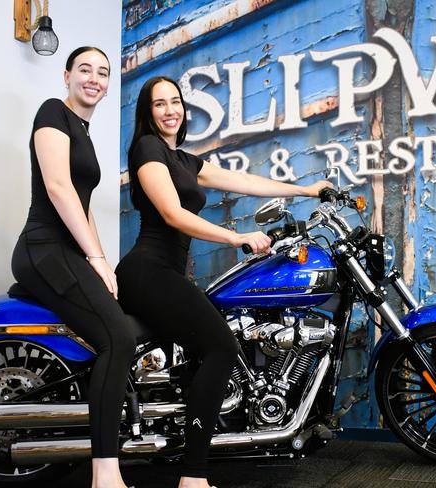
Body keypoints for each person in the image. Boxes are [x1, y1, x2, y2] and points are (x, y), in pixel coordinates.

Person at [115, 76, 331, 488]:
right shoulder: (148, 151)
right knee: (220, 347)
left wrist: (304, 190)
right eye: (159, 104)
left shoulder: (183, 159)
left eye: (175, 101)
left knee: (210, 345)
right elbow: (173, 215)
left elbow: (243, 181)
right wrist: (238, 237)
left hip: (166, 273)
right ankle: (192, 477)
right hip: (147, 271)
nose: (169, 110)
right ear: (148, 113)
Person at [11, 47, 136, 488]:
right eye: (85, 69)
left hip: (67, 250)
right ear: (67, 75)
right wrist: (95, 258)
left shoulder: (82, 130)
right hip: (43, 248)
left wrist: (103, 265)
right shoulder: (52, 112)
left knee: (125, 327)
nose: (95, 79)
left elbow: (83, 210)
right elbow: (60, 189)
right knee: (117, 339)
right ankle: (105, 474)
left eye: (103, 73)